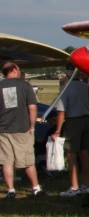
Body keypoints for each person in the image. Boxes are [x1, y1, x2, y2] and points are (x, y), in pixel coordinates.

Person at [52, 71, 89, 197]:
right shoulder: (86, 87)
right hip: (87, 120)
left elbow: (61, 111)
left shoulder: (66, 88)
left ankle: (74, 186)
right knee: (85, 152)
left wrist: (57, 131)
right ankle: (86, 184)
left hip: (73, 121)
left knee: (71, 154)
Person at [0, 62, 46, 199]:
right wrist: (32, 126)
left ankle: (11, 190)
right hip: (22, 128)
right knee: (27, 160)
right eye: (18, 69)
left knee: (6, 161)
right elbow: (32, 108)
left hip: (3, 128)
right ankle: (36, 188)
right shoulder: (25, 85)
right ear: (14, 70)